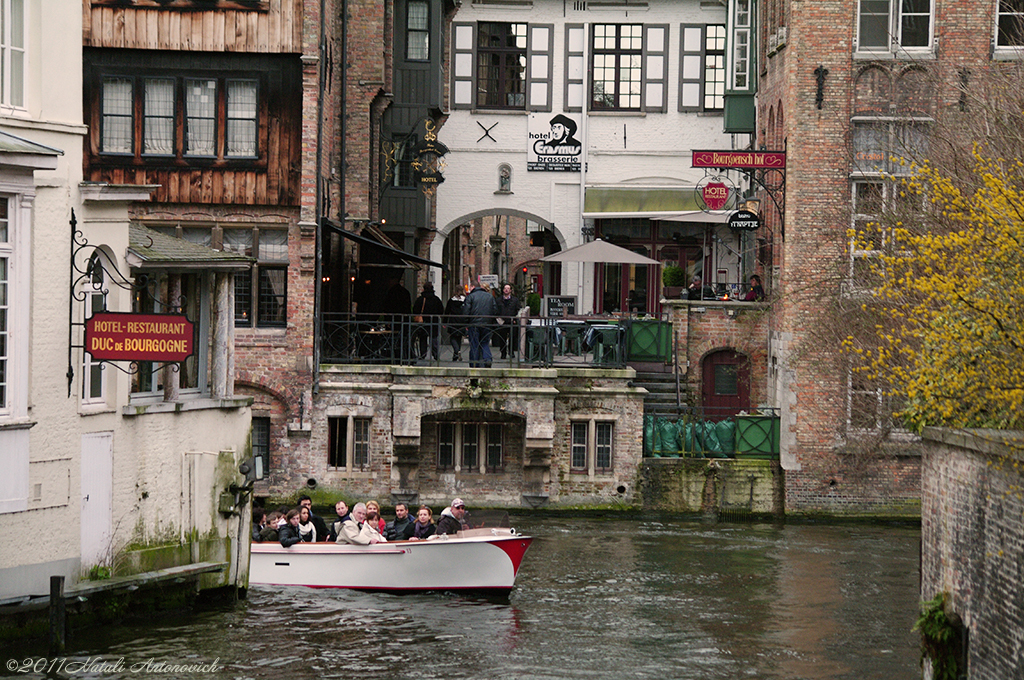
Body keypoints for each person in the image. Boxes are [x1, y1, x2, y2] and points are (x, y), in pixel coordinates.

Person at [463, 282, 497, 368]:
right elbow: (495, 311)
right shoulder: (490, 297)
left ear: (473, 287)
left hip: (474, 324)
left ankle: (474, 363)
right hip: (487, 324)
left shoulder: (470, 297)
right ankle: (487, 359)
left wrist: (466, 323)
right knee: (484, 343)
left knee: (474, 345)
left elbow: (466, 312)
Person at [412, 281, 445, 361]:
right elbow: (441, 310)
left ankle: (423, 354)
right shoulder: (436, 299)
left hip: (423, 322)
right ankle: (436, 354)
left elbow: (415, 310)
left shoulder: (420, 299)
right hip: (434, 322)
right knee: (434, 338)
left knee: (422, 338)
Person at [496, 283, 520, 359]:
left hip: (512, 321)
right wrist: (498, 319)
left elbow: (518, 310)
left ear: (510, 290)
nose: (506, 290)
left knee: (512, 338)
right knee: (502, 339)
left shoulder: (515, 300)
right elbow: (496, 310)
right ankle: (503, 353)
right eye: (505, 288)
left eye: (508, 288)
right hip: (502, 322)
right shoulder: (499, 300)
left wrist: (515, 319)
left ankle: (511, 352)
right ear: (503, 290)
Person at [444, 290, 466, 361]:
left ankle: (456, 351)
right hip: (461, 321)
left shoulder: (451, 301)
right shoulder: (465, 300)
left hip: (453, 320)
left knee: (452, 337)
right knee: (459, 337)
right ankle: (456, 354)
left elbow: (447, 311)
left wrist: (444, 322)